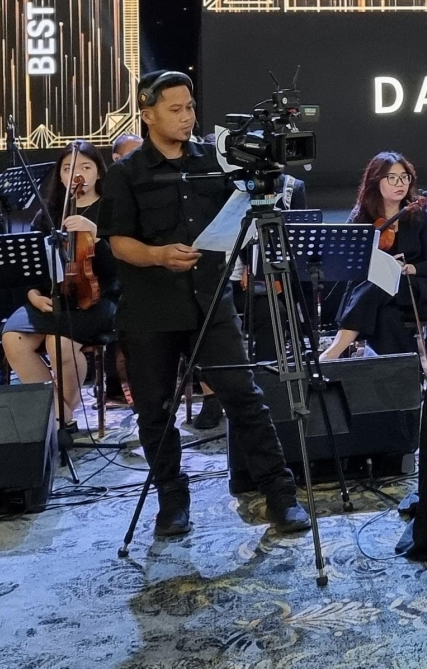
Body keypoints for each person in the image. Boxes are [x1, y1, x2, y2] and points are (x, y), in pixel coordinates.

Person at [103, 71, 310, 538]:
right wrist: (158, 255)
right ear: (148, 114)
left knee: (245, 398)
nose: (186, 117)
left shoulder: (217, 161)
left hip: (211, 300)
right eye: (175, 109)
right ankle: (171, 500)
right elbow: (118, 242)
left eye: (190, 107)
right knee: (155, 411)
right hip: (151, 308)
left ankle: (281, 495)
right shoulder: (125, 173)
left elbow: (246, 207)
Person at [0, 141, 120, 429]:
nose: (77, 174)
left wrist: (97, 234)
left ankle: (58, 420)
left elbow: (120, 269)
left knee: (60, 343)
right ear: (61, 176)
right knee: (12, 338)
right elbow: (30, 266)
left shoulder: (113, 209)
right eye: (68, 169)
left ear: (99, 172)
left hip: (98, 298)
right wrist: (32, 294)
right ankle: (61, 417)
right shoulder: (49, 213)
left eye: (85, 167)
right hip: (53, 297)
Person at [321, 154, 427, 360]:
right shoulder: (361, 216)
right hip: (375, 295)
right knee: (387, 316)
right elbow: (349, 260)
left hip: (413, 288)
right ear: (376, 181)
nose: (400, 183)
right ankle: (403, 372)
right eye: (392, 178)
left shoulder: (418, 214)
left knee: (381, 283)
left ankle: (334, 350)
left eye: (404, 177)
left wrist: (411, 268)